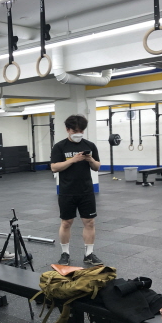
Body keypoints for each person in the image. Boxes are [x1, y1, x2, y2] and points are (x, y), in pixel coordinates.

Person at [50, 114, 102, 266]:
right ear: (68, 129)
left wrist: (90, 160)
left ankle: (89, 254)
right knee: (66, 222)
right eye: (75, 131)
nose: (78, 134)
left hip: (86, 191)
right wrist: (73, 160)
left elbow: (97, 167)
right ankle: (65, 253)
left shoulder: (90, 145)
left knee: (90, 222)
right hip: (67, 191)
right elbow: (54, 167)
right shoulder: (60, 147)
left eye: (81, 131)